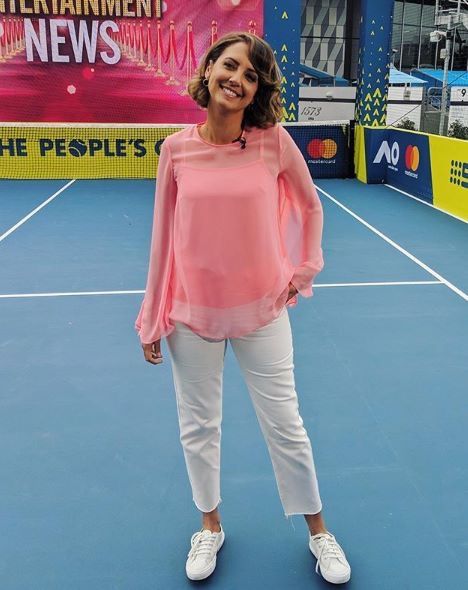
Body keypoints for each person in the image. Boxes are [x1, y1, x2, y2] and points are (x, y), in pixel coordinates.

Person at [136, 32, 351, 585]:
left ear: (257, 90)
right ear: (209, 68)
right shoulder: (175, 151)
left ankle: (319, 532)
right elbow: (162, 240)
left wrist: (302, 272)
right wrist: (152, 314)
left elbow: (311, 207)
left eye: (251, 75)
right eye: (230, 66)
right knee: (198, 426)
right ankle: (210, 526)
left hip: (263, 312)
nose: (237, 79)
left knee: (286, 425)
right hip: (191, 316)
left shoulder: (273, 142)